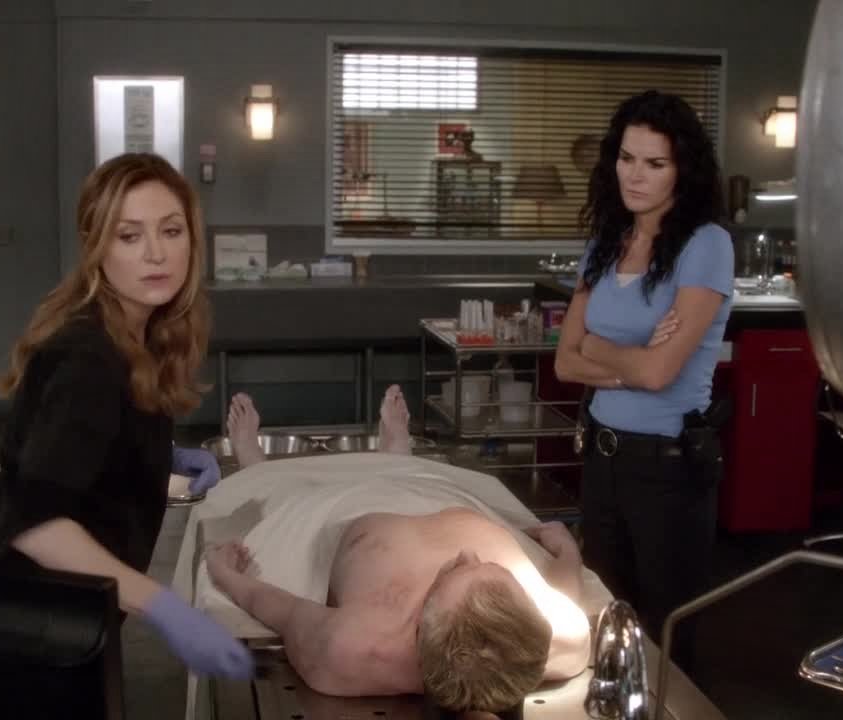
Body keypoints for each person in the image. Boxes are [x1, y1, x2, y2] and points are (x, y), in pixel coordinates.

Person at [0, 153, 251, 679]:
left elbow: (84, 451)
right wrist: (166, 608)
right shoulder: (86, 358)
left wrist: (159, 458)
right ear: (96, 246)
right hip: (31, 631)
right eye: (129, 236)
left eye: (171, 231)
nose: (156, 253)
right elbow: (36, 524)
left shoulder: (133, 337)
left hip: (75, 623)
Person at [205, 387, 591, 713]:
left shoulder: (353, 647)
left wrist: (228, 577)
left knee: (287, 499)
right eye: (493, 567)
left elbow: (286, 611)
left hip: (344, 512)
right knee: (432, 476)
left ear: (419, 627)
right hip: (443, 494)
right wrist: (568, 554)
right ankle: (397, 456)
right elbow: (563, 591)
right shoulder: (564, 637)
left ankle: (255, 466)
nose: (467, 554)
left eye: (454, 572)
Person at [553, 90, 733, 655]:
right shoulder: (605, 243)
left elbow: (659, 374)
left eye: (655, 163)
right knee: (604, 619)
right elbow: (564, 360)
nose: (635, 175)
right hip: (602, 457)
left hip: (668, 466)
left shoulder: (706, 245)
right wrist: (624, 361)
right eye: (627, 158)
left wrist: (598, 348)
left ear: (683, 170)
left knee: (666, 633)